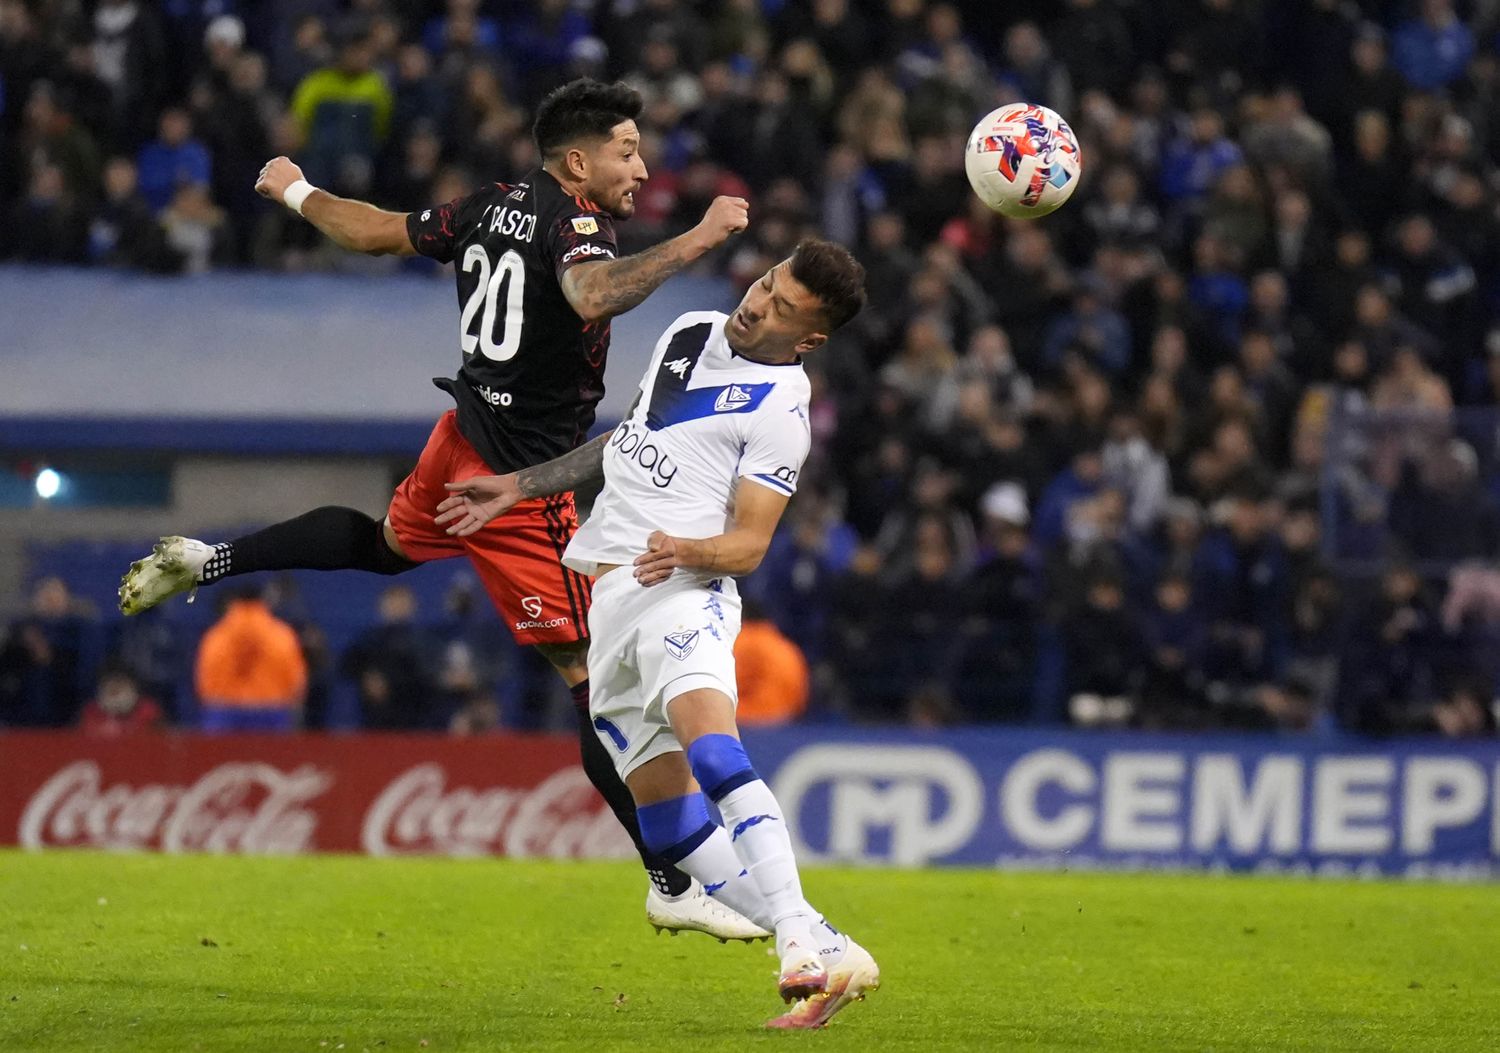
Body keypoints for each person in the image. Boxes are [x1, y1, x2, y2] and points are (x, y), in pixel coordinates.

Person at [116, 79, 757, 939]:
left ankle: (210, 559)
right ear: (578, 162)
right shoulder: (577, 226)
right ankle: (669, 881)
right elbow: (593, 295)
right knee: (598, 686)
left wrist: (296, 189)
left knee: (384, 546)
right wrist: (699, 239)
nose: (642, 167)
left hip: (459, 436)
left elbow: (376, 231)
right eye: (627, 151)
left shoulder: (488, 205)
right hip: (517, 485)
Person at [436, 239, 878, 1029]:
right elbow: (628, 440)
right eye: (768, 281)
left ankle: (799, 955)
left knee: (713, 751)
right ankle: (830, 947)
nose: (759, 301)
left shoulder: (781, 412)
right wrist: (516, 486)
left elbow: (748, 545)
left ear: (808, 339)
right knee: (669, 828)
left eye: (783, 307)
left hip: (684, 594)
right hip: (610, 600)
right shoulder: (690, 330)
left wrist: (689, 551)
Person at [194, 584, 306, 732]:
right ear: (263, 601)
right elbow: (295, 679)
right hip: (272, 712)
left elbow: (204, 679)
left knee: (223, 756)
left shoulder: (215, 636)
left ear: (233, 602)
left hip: (223, 713)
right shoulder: (282, 636)